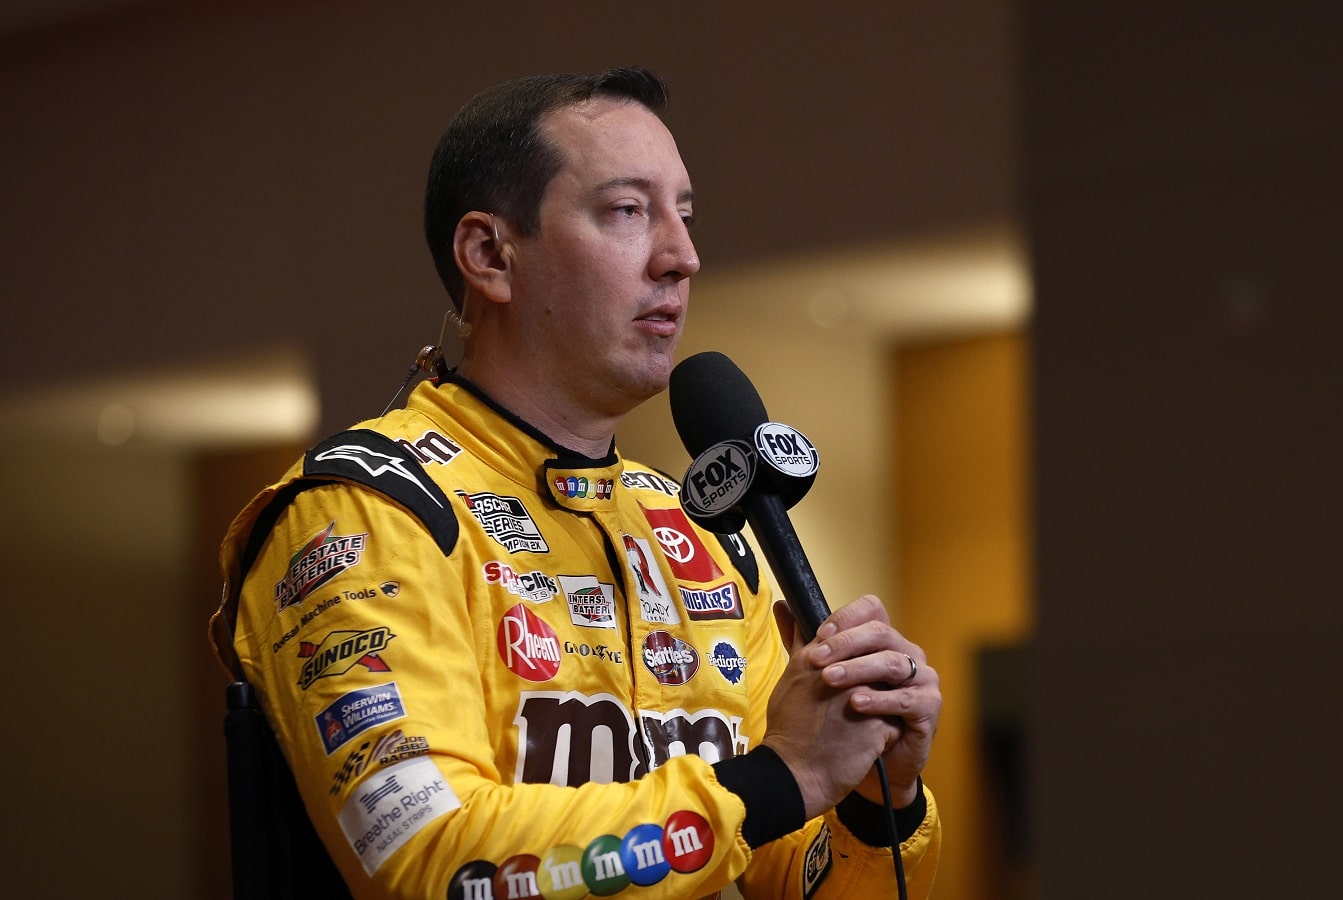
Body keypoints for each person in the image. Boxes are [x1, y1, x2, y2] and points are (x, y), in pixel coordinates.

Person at [209, 66, 942, 900]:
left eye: (687, 215)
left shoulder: (697, 531)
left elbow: (796, 878)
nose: (682, 256)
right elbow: (435, 864)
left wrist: (877, 801)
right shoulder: (367, 513)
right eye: (629, 212)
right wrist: (775, 780)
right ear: (490, 255)